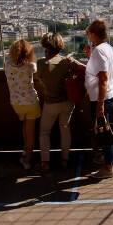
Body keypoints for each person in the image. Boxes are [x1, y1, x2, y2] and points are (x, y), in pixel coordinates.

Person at [36, 33, 85, 172]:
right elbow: (86, 69)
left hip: (50, 103)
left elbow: (40, 79)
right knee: (65, 129)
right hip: (67, 102)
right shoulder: (67, 62)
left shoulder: (41, 63)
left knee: (44, 132)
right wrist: (74, 61)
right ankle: (65, 159)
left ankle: (45, 162)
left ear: (46, 46)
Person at [85, 19, 113, 179]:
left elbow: (103, 78)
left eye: (88, 33)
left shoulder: (99, 51)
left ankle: (108, 167)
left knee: (103, 133)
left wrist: (100, 104)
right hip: (108, 94)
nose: (87, 36)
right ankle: (107, 160)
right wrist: (91, 57)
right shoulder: (106, 48)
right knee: (105, 131)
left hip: (101, 98)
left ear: (93, 33)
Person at [4, 39, 41, 170]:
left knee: (24, 125)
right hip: (30, 102)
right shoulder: (31, 66)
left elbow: (10, 57)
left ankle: (25, 149)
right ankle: (28, 159)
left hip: (16, 103)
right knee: (30, 130)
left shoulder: (7, 64)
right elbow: (35, 68)